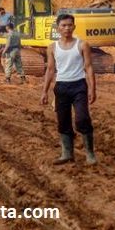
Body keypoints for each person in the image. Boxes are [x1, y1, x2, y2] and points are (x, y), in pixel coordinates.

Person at [40, 14, 97, 165]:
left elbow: (89, 67)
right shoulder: (52, 47)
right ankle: (67, 153)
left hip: (79, 86)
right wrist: (45, 91)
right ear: (58, 28)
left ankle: (90, 154)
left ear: (74, 26)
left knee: (82, 119)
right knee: (63, 121)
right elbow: (50, 70)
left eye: (70, 25)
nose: (67, 28)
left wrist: (92, 89)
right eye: (63, 25)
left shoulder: (82, 45)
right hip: (61, 88)